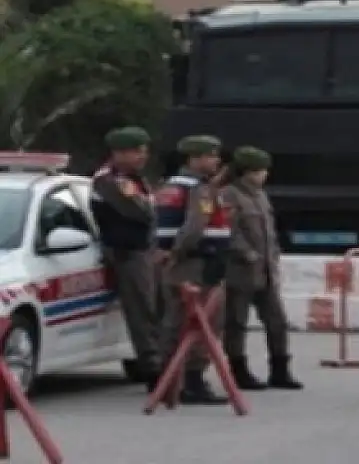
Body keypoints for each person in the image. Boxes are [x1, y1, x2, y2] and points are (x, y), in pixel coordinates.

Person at [154, 134, 230, 405]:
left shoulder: (170, 186)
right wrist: (177, 253)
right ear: (194, 159)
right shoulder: (199, 188)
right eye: (211, 156)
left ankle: (170, 380)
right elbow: (194, 227)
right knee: (202, 323)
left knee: (174, 320)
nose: (216, 161)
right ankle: (191, 382)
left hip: (181, 264)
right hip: (196, 264)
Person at [221, 146, 302, 391]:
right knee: (236, 322)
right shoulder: (230, 195)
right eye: (259, 171)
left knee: (277, 321)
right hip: (240, 270)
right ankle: (238, 370)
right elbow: (229, 230)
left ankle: (280, 369)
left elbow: (269, 231)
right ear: (245, 172)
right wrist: (245, 252)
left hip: (265, 270)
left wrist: (273, 256)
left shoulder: (260, 195)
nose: (264, 175)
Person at [90, 125, 161, 390]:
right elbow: (143, 213)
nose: (143, 156)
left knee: (155, 309)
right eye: (137, 151)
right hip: (127, 254)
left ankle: (161, 363)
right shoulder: (110, 181)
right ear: (119, 153)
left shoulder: (135, 178)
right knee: (142, 311)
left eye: (144, 151)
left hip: (144, 250)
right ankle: (153, 369)